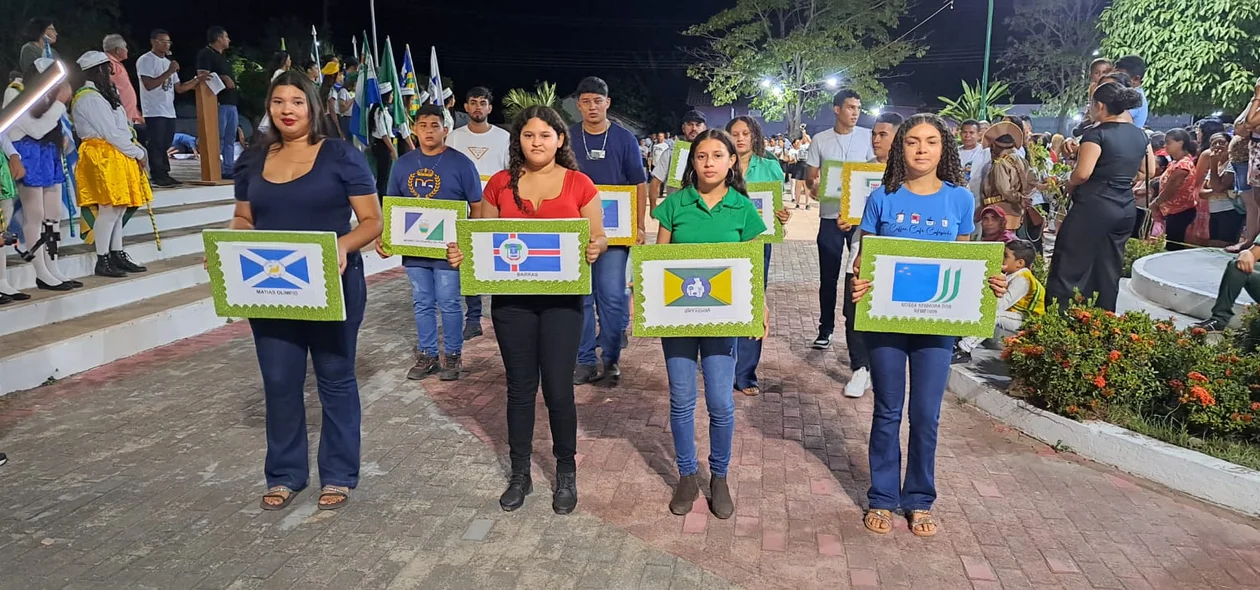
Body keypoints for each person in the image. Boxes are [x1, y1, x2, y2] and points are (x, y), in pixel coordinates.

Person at [849, 113, 1007, 538]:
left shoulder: (959, 200)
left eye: (931, 142)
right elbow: (866, 259)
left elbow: (965, 262)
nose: (921, 149)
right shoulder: (884, 196)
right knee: (887, 410)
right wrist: (859, 281)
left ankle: (918, 499)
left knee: (926, 415)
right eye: (913, 142)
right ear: (900, 149)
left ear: (945, 149)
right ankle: (882, 496)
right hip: (886, 320)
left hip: (937, 324)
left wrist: (990, 282)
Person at [232, 71, 382, 511]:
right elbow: (244, 217)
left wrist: (343, 244)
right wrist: (230, 243)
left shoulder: (339, 155)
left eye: (297, 101)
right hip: (271, 287)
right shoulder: (252, 159)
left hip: (333, 284)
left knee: (335, 380)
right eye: (278, 101)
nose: (287, 110)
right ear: (269, 108)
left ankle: (338, 474)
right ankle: (284, 475)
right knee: (279, 382)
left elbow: (372, 222)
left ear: (312, 107)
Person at [446, 105, 605, 515]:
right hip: (512, 305)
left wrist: (595, 247)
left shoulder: (580, 184)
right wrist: (462, 252)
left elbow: (599, 237)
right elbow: (482, 240)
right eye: (529, 135)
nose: (537, 142)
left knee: (558, 387)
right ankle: (520, 474)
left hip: (563, 304)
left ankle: (565, 472)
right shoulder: (498, 184)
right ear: (518, 140)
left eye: (545, 135)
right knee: (519, 389)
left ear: (560, 139)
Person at [654, 129, 767, 519]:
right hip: (678, 321)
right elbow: (659, 260)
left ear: (731, 161)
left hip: (724, 321)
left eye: (718, 156)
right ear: (692, 162)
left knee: (721, 402)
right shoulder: (674, 204)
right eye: (701, 156)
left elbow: (754, 270)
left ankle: (719, 477)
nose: (709, 163)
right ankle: (686, 474)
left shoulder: (743, 209)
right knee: (682, 400)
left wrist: (760, 309)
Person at [380, 104, 481, 382]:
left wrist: (468, 243)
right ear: (414, 128)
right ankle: (427, 355)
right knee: (422, 302)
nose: (428, 131)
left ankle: (452, 355)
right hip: (414, 249)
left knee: (449, 301)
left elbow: (477, 206)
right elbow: (393, 207)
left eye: (434, 125)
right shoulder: (402, 164)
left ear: (445, 130)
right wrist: (387, 238)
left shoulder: (461, 164)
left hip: (449, 251)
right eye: (422, 125)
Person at [1045, 82, 1152, 312]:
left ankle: (1059, 319)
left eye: (1091, 104)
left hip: (1095, 205)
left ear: (1100, 106)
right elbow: (1145, 171)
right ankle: (1101, 319)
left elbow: (1083, 173)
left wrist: (1068, 183)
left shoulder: (1097, 134)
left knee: (1069, 263)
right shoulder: (1141, 135)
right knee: (1108, 266)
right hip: (1125, 207)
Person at [568, 77, 647, 386]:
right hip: (576, 233)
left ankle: (611, 357)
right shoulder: (569, 137)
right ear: (579, 105)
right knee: (582, 298)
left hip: (616, 235)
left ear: (607, 103)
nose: (592, 107)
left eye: (597, 101)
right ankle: (585, 360)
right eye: (586, 101)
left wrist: (639, 225)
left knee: (613, 297)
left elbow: (638, 183)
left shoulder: (625, 139)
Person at [837, 111, 902, 399]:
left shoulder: (912, 178)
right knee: (854, 312)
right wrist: (846, 220)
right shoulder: (860, 173)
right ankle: (860, 368)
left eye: (882, 134)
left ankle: (881, 367)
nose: (875, 139)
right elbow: (849, 214)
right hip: (859, 253)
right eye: (874, 133)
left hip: (899, 259)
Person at [71, 50, 153, 278]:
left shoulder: (104, 94)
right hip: (102, 155)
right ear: (98, 70)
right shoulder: (88, 97)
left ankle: (116, 253)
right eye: (108, 69)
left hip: (116, 154)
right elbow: (110, 133)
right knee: (108, 208)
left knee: (119, 207)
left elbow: (121, 127)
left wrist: (133, 149)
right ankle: (103, 259)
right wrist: (136, 152)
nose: (111, 74)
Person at [726, 115, 790, 397]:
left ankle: (746, 373)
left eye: (746, 133)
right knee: (724, 298)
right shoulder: (719, 164)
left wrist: (782, 216)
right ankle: (722, 365)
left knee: (753, 300)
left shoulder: (770, 167)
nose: (740, 138)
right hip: (724, 240)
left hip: (758, 243)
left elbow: (777, 207)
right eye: (735, 133)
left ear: (755, 136)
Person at [806, 89, 875, 351]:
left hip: (861, 220)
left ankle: (858, 331)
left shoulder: (869, 138)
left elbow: (876, 174)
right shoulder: (820, 140)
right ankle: (825, 329)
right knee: (828, 278)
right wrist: (815, 187)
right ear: (837, 109)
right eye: (850, 107)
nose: (855, 112)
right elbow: (811, 178)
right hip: (830, 217)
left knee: (858, 275)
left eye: (858, 108)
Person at [446, 86, 511, 340]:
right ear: (466, 107)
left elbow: (510, 173)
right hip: (462, 207)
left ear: (490, 108)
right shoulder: (454, 137)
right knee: (468, 262)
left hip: (495, 206)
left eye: (482, 103)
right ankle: (473, 318)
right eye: (472, 102)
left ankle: (501, 314)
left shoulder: (503, 137)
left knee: (497, 259)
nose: (477, 107)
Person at [8, 58, 78, 291]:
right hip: (27, 152)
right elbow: (36, 130)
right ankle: (40, 271)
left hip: (49, 153)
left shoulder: (51, 95)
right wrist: (59, 102)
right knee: (35, 215)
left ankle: (53, 266)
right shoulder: (16, 93)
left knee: (53, 215)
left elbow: (55, 126)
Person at [953, 239, 1044, 364]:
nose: (1001, 258)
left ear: (1020, 263)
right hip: (1015, 315)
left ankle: (964, 349)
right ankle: (959, 337)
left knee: (994, 314)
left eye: (1006, 256)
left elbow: (1001, 305)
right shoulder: (1011, 274)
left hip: (1027, 320)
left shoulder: (1023, 278)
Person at [137, 29, 205, 188]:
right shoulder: (146, 60)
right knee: (157, 142)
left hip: (168, 110)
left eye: (168, 42)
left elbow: (179, 88)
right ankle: (157, 174)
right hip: (154, 109)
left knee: (166, 142)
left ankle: (165, 173)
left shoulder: (169, 63)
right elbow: (149, 85)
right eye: (163, 41)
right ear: (153, 42)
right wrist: (170, 71)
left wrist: (196, 80)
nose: (167, 44)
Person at [196, 27, 239, 178]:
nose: (229, 40)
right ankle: (216, 167)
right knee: (218, 137)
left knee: (230, 138)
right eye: (226, 37)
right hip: (217, 102)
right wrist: (222, 78)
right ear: (219, 38)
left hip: (231, 102)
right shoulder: (206, 54)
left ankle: (228, 168)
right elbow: (202, 76)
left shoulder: (223, 57)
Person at [976, 121, 1033, 232]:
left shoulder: (1000, 164)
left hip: (999, 212)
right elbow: (1033, 180)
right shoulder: (1022, 161)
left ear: (995, 146)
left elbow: (1005, 189)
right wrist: (1022, 196)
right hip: (1015, 211)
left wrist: (1018, 198)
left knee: (998, 245)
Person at [1150, 129, 1199, 252]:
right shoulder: (1175, 162)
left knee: (1174, 246)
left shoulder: (1183, 165)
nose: (1165, 146)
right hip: (1172, 211)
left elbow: (1171, 189)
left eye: (1168, 143)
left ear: (1180, 143)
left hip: (1180, 211)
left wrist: (1156, 203)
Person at [649, 110, 707, 209]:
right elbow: (655, 181)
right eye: (690, 124)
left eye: (698, 125)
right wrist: (653, 205)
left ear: (704, 128)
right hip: (677, 211)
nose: (694, 128)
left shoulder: (714, 153)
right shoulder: (671, 153)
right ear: (683, 128)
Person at [1202, 133, 1241, 246]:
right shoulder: (1217, 165)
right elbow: (1202, 193)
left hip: (1229, 210)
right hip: (1214, 210)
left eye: (1222, 142)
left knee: (1224, 244)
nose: (1218, 146)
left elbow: (1219, 186)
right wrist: (1215, 190)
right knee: (1213, 242)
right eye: (1214, 143)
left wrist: (1213, 164)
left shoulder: (1232, 164)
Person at [102, 34, 142, 128]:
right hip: (118, 117)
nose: (127, 50)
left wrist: (135, 113)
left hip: (126, 115)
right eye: (125, 47)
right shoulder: (108, 64)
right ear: (117, 50)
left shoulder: (116, 64)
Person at [369, 83, 398, 197]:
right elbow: (384, 134)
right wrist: (392, 150)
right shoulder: (379, 111)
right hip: (382, 145)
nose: (392, 97)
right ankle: (381, 201)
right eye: (391, 95)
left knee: (385, 176)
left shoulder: (384, 110)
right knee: (383, 176)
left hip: (384, 144)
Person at [1112, 55, 1149, 129]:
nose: (1114, 80)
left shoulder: (1133, 98)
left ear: (1136, 79)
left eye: (1120, 77)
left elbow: (1114, 124)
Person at [957, 119, 989, 186]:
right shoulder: (954, 153)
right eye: (964, 132)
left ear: (979, 135)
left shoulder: (986, 152)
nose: (967, 135)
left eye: (971, 132)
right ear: (960, 134)